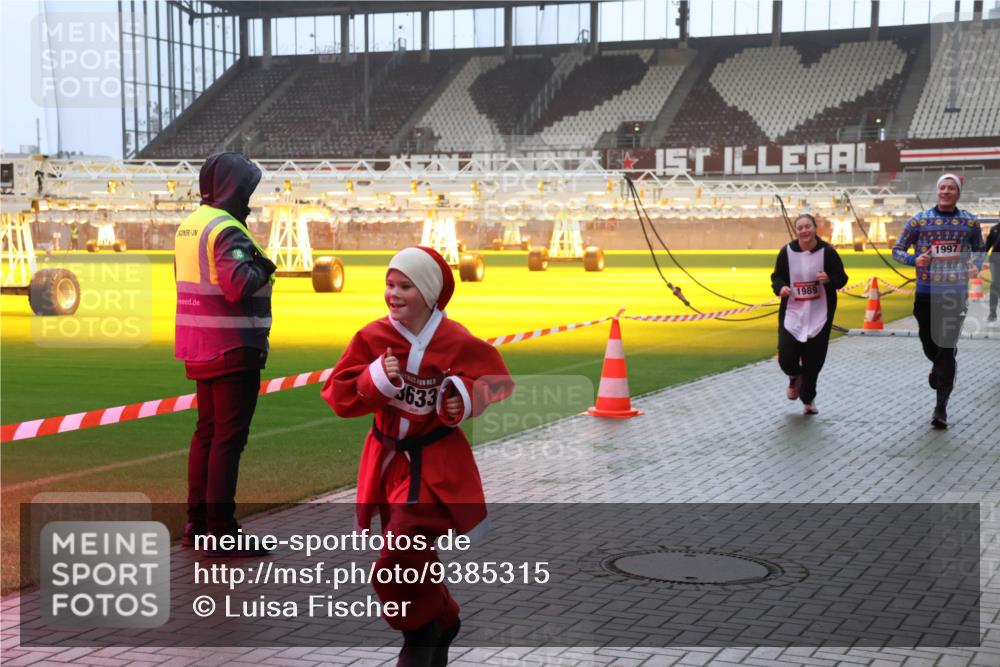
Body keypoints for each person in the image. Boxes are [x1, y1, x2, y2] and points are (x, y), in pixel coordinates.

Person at [322, 246, 514, 667]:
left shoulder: (455, 339)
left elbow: (498, 379)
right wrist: (377, 379)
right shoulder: (371, 337)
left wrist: (462, 397)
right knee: (414, 556)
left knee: (397, 557)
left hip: (434, 468)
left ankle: (417, 631)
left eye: (404, 285)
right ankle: (443, 619)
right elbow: (338, 394)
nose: (393, 293)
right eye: (389, 284)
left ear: (428, 293)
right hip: (387, 465)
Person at [174, 152, 276, 555]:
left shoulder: (190, 226)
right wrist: (264, 265)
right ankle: (221, 531)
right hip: (233, 347)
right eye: (247, 188)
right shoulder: (228, 230)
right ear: (233, 188)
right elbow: (238, 285)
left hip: (198, 345)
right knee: (228, 440)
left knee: (206, 434)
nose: (249, 197)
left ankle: (197, 526)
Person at [892, 173, 984, 429]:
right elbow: (897, 249)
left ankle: (941, 407)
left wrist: (974, 266)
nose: (945, 191)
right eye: (942, 187)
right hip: (926, 292)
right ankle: (937, 364)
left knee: (946, 348)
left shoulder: (969, 222)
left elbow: (979, 250)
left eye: (950, 188)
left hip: (954, 293)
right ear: (937, 191)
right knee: (929, 343)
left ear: (958, 193)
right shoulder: (919, 220)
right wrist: (914, 260)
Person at [771, 214, 849, 415]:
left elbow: (842, 278)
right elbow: (776, 276)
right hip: (792, 313)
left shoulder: (828, 252)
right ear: (796, 230)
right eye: (800, 227)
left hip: (819, 314)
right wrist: (781, 288)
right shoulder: (786, 252)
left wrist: (829, 279)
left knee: (814, 362)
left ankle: (808, 398)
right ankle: (794, 375)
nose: (804, 231)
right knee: (786, 356)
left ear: (815, 228)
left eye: (808, 226)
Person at [985, 222, 999, 322]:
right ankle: (992, 313)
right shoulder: (994, 229)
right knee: (995, 285)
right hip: (995, 261)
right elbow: (987, 246)